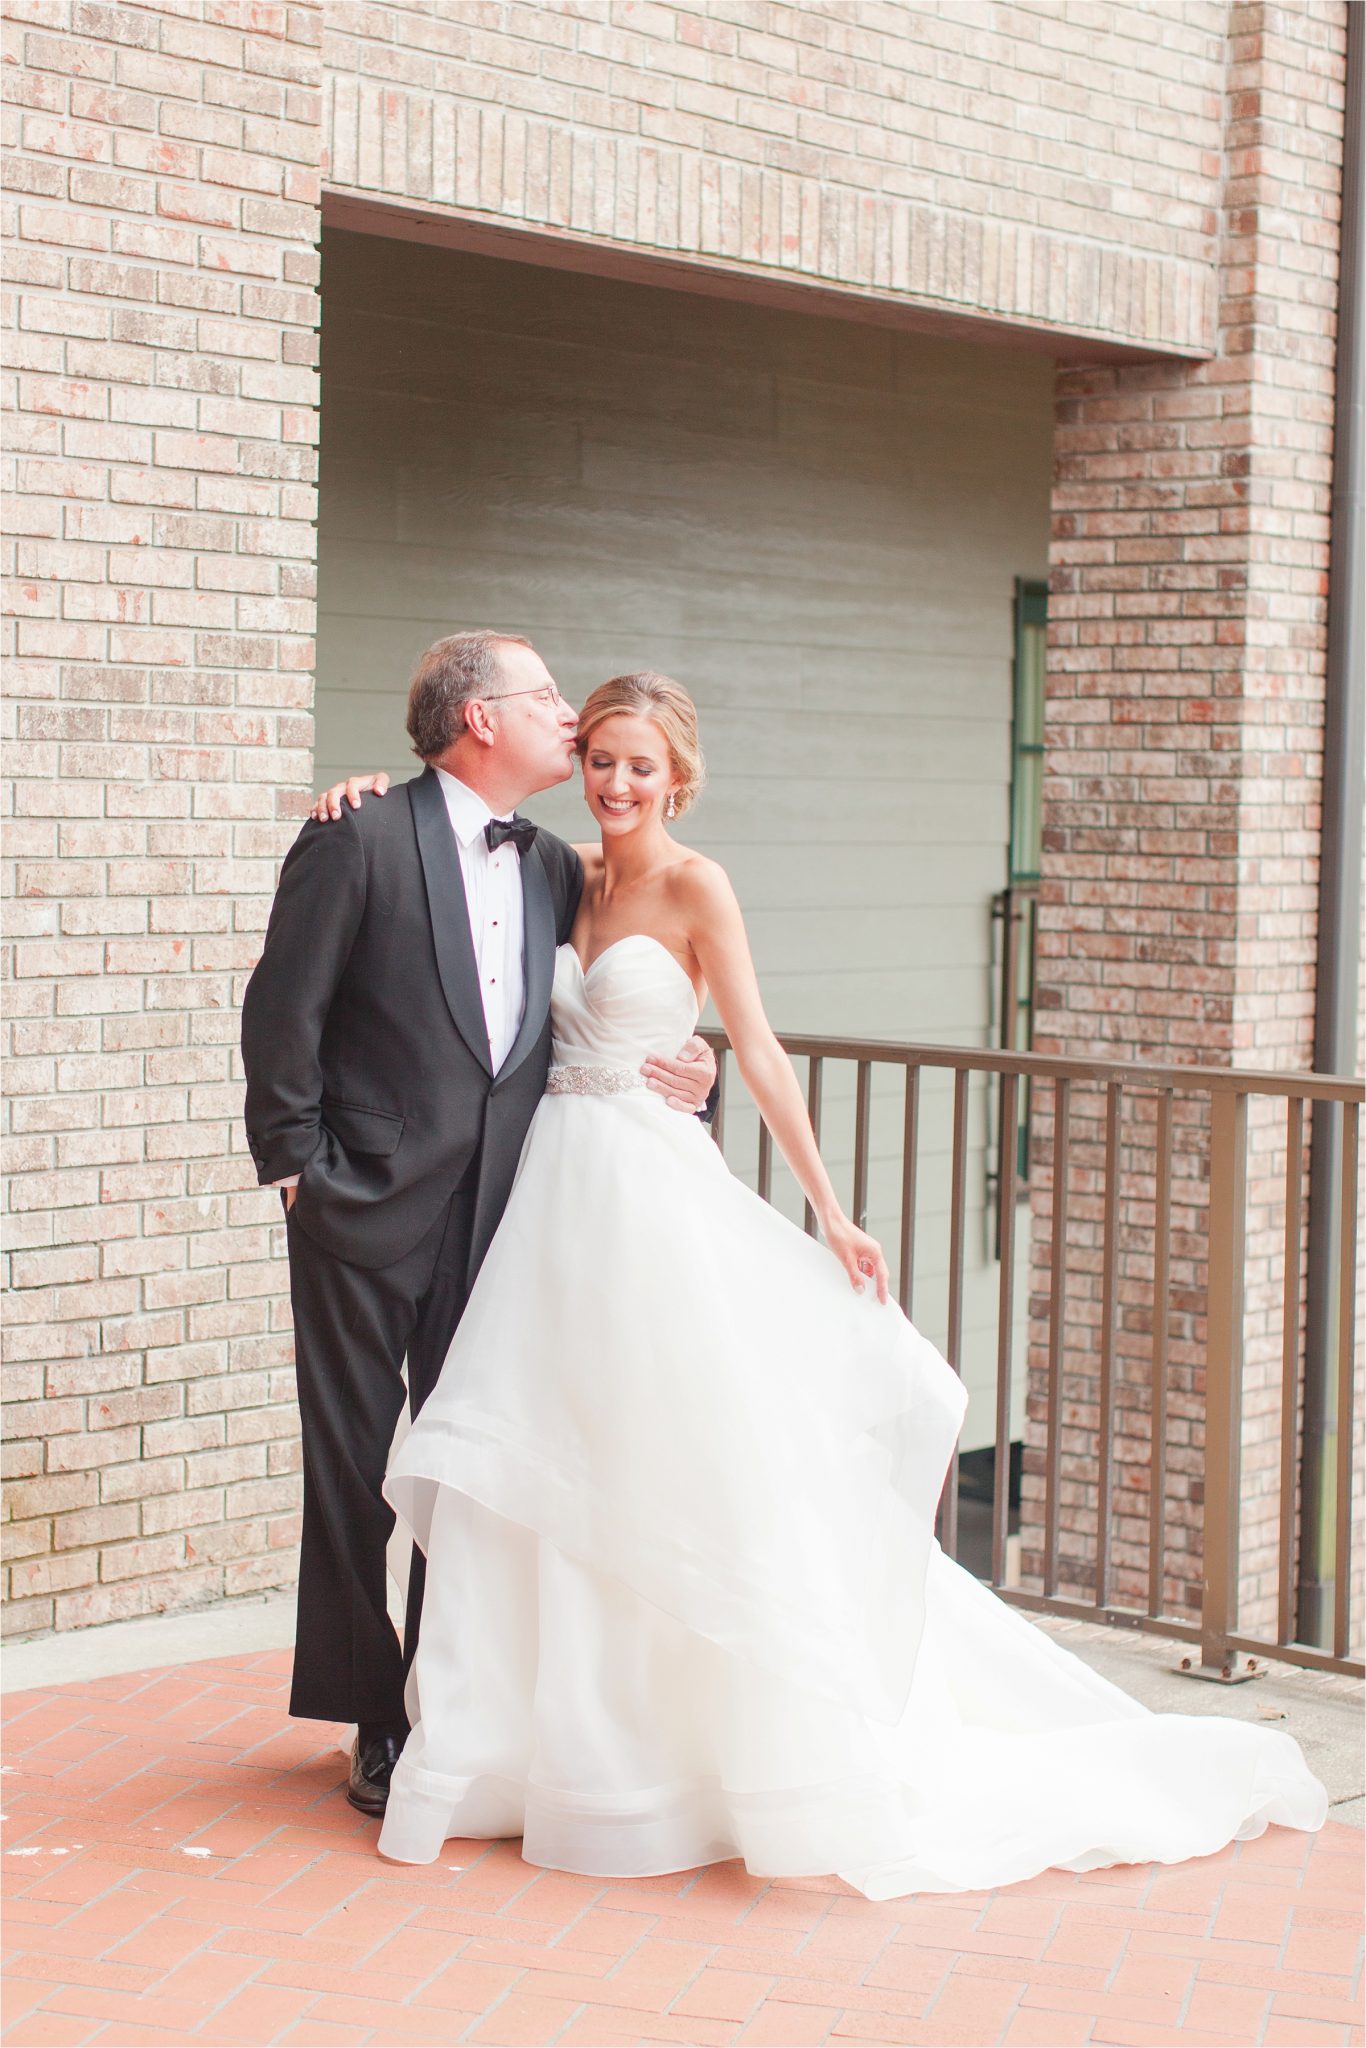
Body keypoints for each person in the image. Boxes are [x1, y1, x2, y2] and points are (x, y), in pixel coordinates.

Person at [317, 671, 1327, 1897]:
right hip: (545, 1202)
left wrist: (833, 1208)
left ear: (677, 774)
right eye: (602, 760)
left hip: (644, 1196)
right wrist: (364, 792)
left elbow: (753, 1044)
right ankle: (539, 1744)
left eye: (642, 766)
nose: (618, 782)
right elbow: (444, 862)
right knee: (550, 1450)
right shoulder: (552, 870)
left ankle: (680, 1752)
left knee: (677, 1452)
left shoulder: (698, 885)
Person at [240, 634, 715, 1820]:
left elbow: (652, 984)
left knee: (471, 1469)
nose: (570, 715)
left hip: (506, 1212)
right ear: (479, 719)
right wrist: (297, 1169)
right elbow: (279, 1011)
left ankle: (453, 1695)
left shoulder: (563, 865)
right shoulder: (354, 834)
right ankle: (373, 1715)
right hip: (357, 1206)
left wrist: (699, 1066)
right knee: (353, 1469)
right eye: (548, 696)